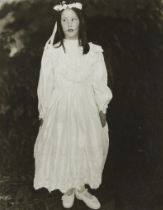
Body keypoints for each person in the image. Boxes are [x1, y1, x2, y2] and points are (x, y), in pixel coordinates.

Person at [33, 0, 112, 209]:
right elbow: (46, 82)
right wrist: (44, 109)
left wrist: (101, 108)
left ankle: (81, 188)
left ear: (80, 22)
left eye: (73, 19)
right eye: (64, 20)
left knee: (84, 144)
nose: (69, 24)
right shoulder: (53, 51)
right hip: (61, 105)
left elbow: (99, 81)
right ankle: (67, 187)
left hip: (85, 105)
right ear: (59, 23)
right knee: (64, 144)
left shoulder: (93, 52)